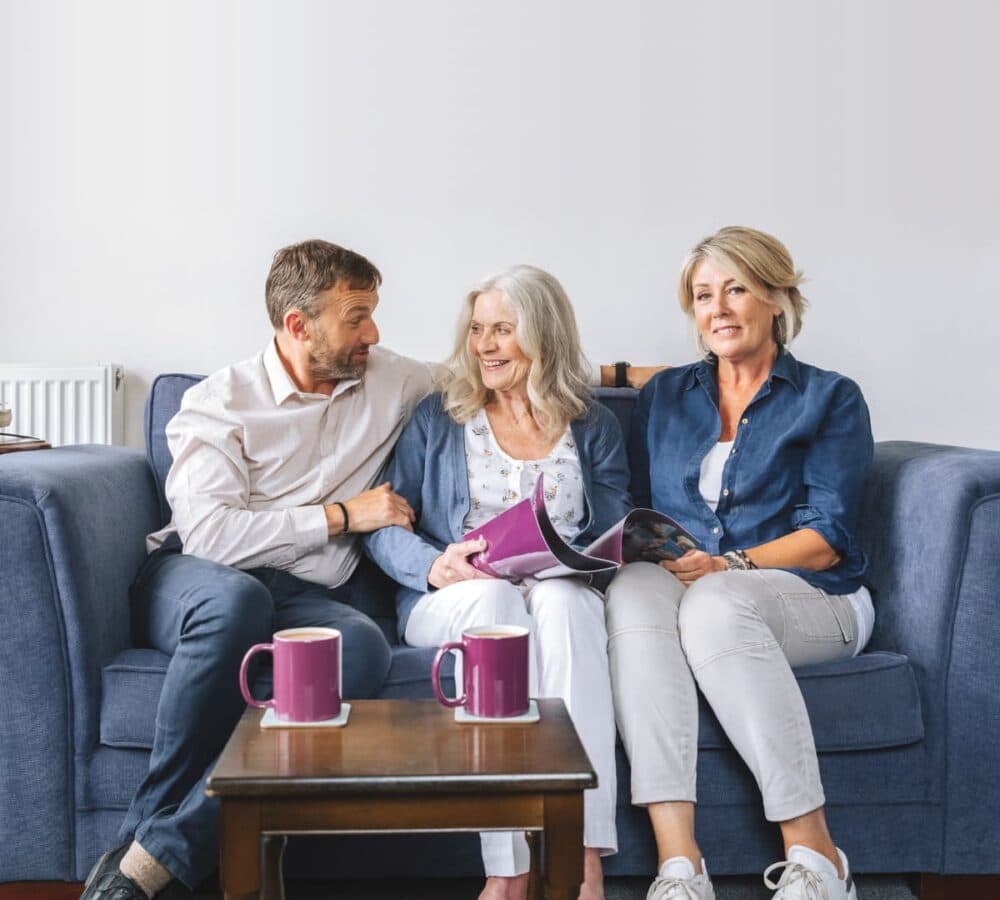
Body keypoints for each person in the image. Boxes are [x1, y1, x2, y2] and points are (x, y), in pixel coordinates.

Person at [82, 240, 436, 900]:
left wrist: (627, 375)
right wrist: (338, 516)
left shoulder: (391, 378)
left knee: (358, 646)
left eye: (374, 314)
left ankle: (147, 861)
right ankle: (147, 854)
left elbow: (496, 369)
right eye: (356, 317)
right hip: (196, 576)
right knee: (236, 603)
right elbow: (213, 537)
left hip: (306, 594)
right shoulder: (220, 404)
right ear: (299, 325)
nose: (374, 333)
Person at [605, 227, 874, 900]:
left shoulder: (830, 397)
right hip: (694, 588)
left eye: (737, 289)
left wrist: (731, 565)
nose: (718, 308)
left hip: (814, 596)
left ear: (778, 297)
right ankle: (679, 867)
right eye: (703, 295)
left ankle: (816, 856)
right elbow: (639, 503)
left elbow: (829, 536)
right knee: (633, 594)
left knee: (717, 605)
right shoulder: (667, 396)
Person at [365, 265, 631, 900]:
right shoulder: (439, 417)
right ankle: (508, 868)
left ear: (542, 337)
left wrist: (588, 559)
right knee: (495, 599)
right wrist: (435, 565)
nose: (483, 344)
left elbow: (616, 529)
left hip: (557, 591)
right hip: (456, 596)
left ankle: (580, 854)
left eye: (502, 330)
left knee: (566, 605)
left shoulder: (593, 424)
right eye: (478, 329)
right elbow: (381, 525)